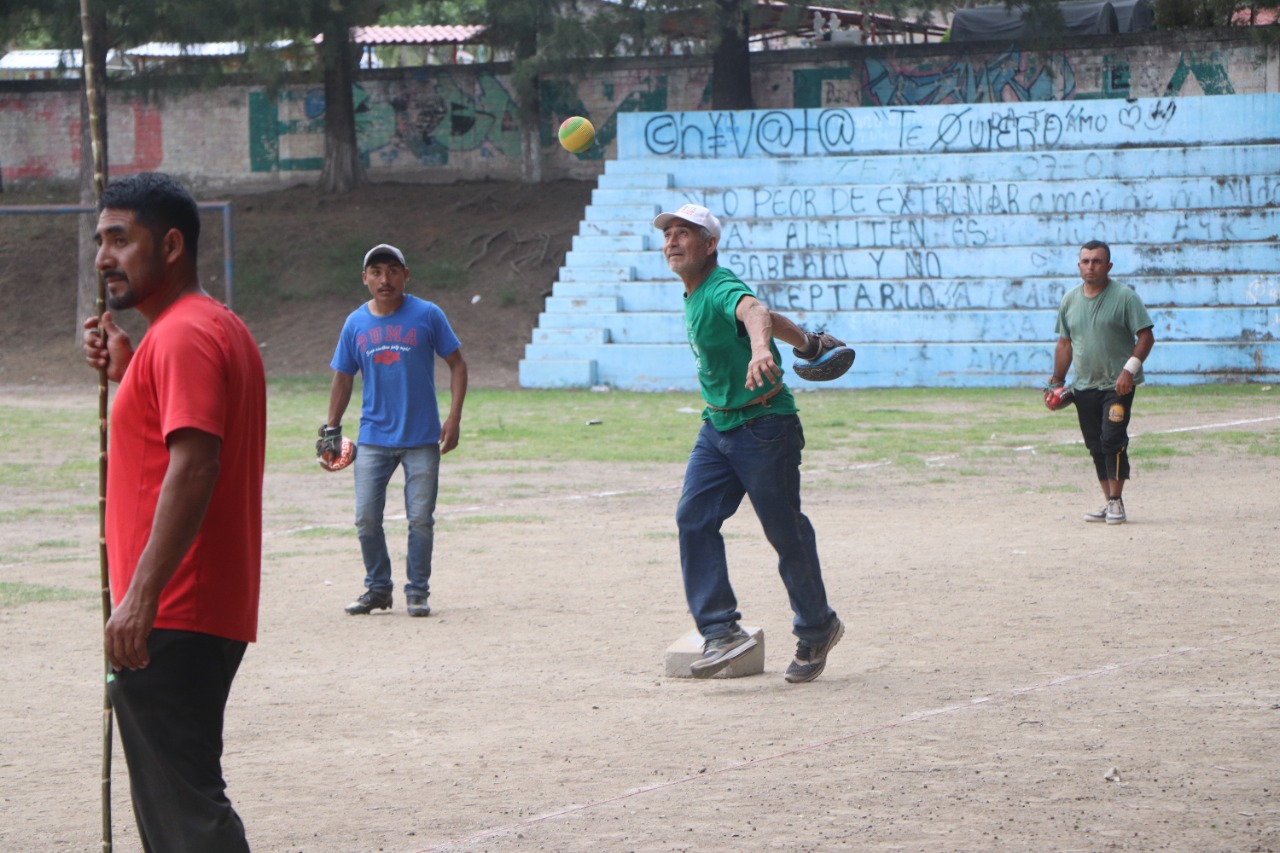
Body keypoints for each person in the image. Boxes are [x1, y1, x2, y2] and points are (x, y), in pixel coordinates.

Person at [81, 172, 266, 852]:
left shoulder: (185, 334)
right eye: (101, 241)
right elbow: (175, 442)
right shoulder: (204, 328)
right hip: (193, 609)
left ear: (170, 245)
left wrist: (140, 598)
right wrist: (129, 368)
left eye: (120, 240)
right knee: (179, 806)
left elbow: (195, 465)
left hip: (171, 611)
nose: (104, 258)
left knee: (185, 817)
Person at [654, 203, 844, 683]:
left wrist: (762, 348)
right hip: (717, 426)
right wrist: (806, 342)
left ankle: (818, 626)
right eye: (668, 233)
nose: (673, 241)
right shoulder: (697, 292)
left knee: (784, 531)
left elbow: (754, 311)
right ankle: (721, 631)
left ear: (710, 245)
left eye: (684, 233)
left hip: (764, 427)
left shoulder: (720, 285)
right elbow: (763, 315)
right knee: (693, 517)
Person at [323, 243, 468, 617]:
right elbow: (342, 378)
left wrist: (453, 417)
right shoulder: (355, 323)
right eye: (376, 272)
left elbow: (457, 364)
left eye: (392, 270)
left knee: (420, 519)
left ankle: (417, 591)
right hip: (373, 438)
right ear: (365, 279)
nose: (384, 279)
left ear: (406, 274)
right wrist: (332, 429)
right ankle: (378, 588)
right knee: (366, 518)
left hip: (422, 438)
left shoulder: (428, 315)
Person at [1049, 240, 1155, 525]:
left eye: (1097, 261)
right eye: (1085, 261)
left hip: (1117, 385)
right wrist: (1056, 381)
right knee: (1095, 444)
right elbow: (1065, 343)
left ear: (1108, 266)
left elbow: (1146, 336)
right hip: (1084, 386)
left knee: (1113, 440)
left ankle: (1116, 501)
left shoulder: (1124, 297)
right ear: (1079, 265)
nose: (1090, 266)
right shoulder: (1070, 300)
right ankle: (1108, 501)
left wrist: (1128, 371)